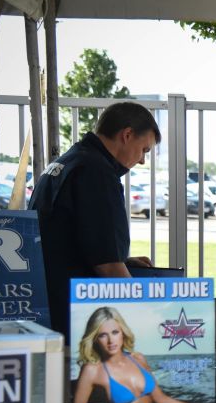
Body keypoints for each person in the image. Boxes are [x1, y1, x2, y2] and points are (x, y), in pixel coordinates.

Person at [31, 102, 160, 338]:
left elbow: (71, 238)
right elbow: (108, 267)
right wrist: (146, 316)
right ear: (127, 135)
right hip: (75, 315)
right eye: (144, 150)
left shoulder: (68, 162)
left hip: (49, 304)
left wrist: (123, 259)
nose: (142, 160)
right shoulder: (96, 172)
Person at [67, 307, 215, 403]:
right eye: (103, 335)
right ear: (95, 338)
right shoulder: (93, 371)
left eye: (115, 332)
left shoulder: (138, 359)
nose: (111, 341)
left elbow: (160, 399)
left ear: (123, 332)